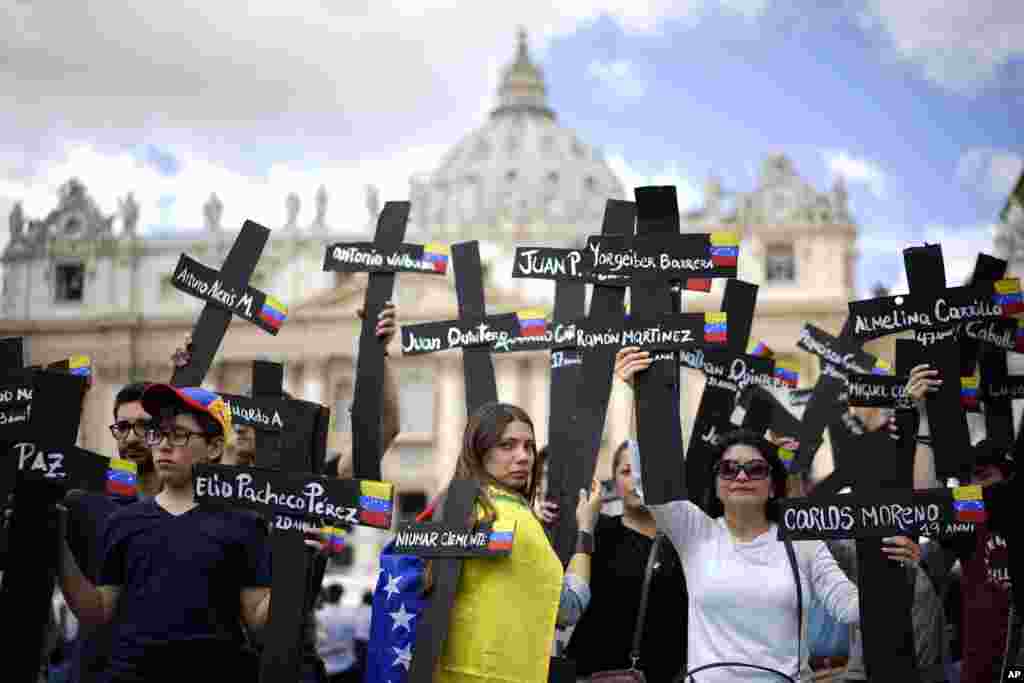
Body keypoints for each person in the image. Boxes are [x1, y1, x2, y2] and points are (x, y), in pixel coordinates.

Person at [614, 347, 921, 682]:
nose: (742, 477)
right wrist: (638, 392)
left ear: (774, 485)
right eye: (729, 469)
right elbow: (650, 480)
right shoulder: (697, 532)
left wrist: (897, 574)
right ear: (716, 483)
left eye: (755, 469)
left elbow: (850, 607)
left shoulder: (802, 542)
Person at [56, 384, 330, 682]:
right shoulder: (123, 522)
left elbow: (259, 621)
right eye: (157, 433)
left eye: (179, 435)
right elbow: (98, 613)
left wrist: (304, 563)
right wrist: (57, 546)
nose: (162, 445)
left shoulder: (244, 524)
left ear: (213, 447)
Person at [429, 401, 592, 683]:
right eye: (507, 445)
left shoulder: (446, 503)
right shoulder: (515, 519)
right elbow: (569, 607)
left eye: (528, 446)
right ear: (480, 450)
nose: (524, 457)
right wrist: (586, 532)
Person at [906, 363, 1018, 683]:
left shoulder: (1000, 505)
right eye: (970, 478)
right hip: (980, 668)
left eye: (984, 476)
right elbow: (928, 501)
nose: (976, 486)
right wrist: (924, 421)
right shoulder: (972, 513)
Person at [564, 440, 687, 683]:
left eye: (644, 471)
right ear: (615, 481)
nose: (636, 480)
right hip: (594, 673)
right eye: (626, 471)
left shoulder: (683, 542)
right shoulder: (597, 531)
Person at [61, 383, 159, 683]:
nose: (131, 437)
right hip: (100, 666)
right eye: (123, 427)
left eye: (144, 426)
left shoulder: (192, 506)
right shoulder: (84, 503)